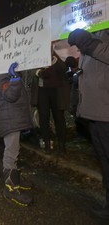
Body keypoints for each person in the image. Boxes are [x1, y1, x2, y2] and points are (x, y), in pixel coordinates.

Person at [68, 28, 109, 219]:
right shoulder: (96, 34)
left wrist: (89, 43)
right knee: (104, 161)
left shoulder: (99, 38)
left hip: (106, 112)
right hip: (97, 112)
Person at [0, 62, 33, 206]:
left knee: (14, 151)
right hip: (10, 121)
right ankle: (10, 188)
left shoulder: (6, 76)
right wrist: (15, 80)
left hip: (14, 119)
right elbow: (11, 96)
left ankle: (16, 180)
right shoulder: (2, 78)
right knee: (11, 153)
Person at [33, 48, 69, 155]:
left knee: (59, 118)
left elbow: (63, 69)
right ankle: (47, 145)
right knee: (43, 117)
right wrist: (39, 72)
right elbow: (31, 71)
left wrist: (53, 59)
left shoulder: (57, 58)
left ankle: (62, 146)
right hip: (42, 91)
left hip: (56, 91)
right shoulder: (36, 58)